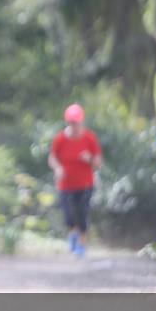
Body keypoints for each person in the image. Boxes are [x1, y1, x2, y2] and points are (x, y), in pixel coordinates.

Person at [48, 103, 102, 258]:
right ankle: (73, 235)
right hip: (65, 184)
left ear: (81, 121)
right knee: (68, 215)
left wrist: (89, 158)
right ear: (67, 122)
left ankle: (81, 245)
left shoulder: (89, 138)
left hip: (85, 184)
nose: (74, 125)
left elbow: (98, 163)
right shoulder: (60, 139)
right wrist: (58, 168)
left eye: (76, 122)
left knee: (82, 213)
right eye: (71, 122)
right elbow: (52, 158)